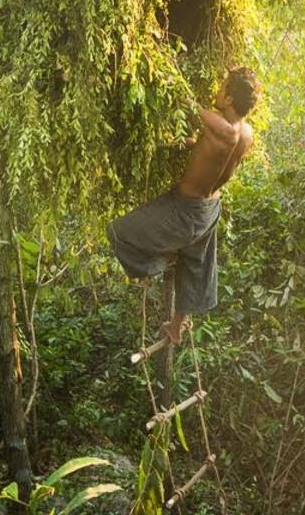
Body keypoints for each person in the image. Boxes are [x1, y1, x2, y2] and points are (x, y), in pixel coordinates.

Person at [107, 66, 260, 343]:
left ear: (228, 99)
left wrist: (162, 70)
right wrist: (186, 144)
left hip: (185, 209)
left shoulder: (219, 127)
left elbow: (181, 100)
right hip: (210, 208)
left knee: (118, 232)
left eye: (222, 85)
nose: (217, 89)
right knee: (195, 266)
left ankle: (164, 259)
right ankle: (177, 326)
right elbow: (215, 153)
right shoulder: (245, 133)